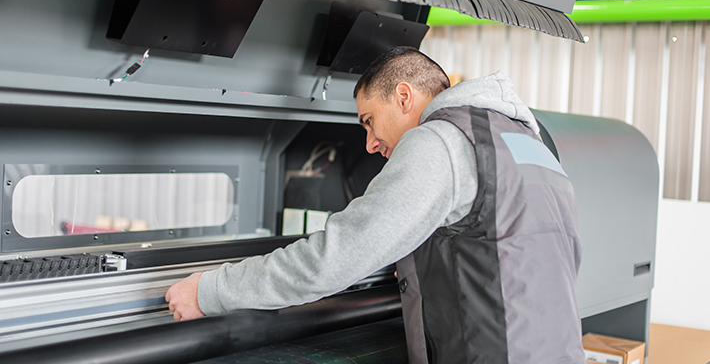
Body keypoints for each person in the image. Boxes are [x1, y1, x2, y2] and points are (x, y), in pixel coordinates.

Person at [166, 46, 585, 363]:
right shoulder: (523, 140)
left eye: (369, 120)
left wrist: (210, 291)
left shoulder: (439, 140)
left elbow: (336, 258)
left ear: (404, 96)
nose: (369, 144)